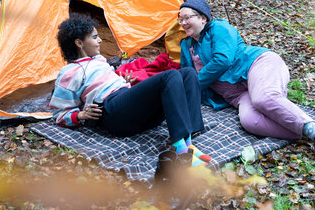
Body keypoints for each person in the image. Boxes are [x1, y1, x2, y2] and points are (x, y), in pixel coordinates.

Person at [178, 0, 315, 169]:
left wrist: (193, 85)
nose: (183, 22)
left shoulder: (219, 28)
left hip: (256, 65)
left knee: (263, 98)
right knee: (250, 121)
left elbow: (222, 60)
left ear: (203, 18)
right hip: (237, 94)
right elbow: (187, 75)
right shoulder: (186, 45)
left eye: (187, 17)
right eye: (180, 19)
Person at [49, 14, 210, 166]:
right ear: (79, 43)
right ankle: (181, 152)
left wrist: (122, 82)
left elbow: (103, 82)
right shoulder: (69, 72)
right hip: (114, 115)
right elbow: (59, 113)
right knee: (170, 76)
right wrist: (81, 114)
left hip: (133, 110)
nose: (100, 41)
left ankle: (188, 142)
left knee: (188, 73)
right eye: (94, 37)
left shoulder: (99, 60)